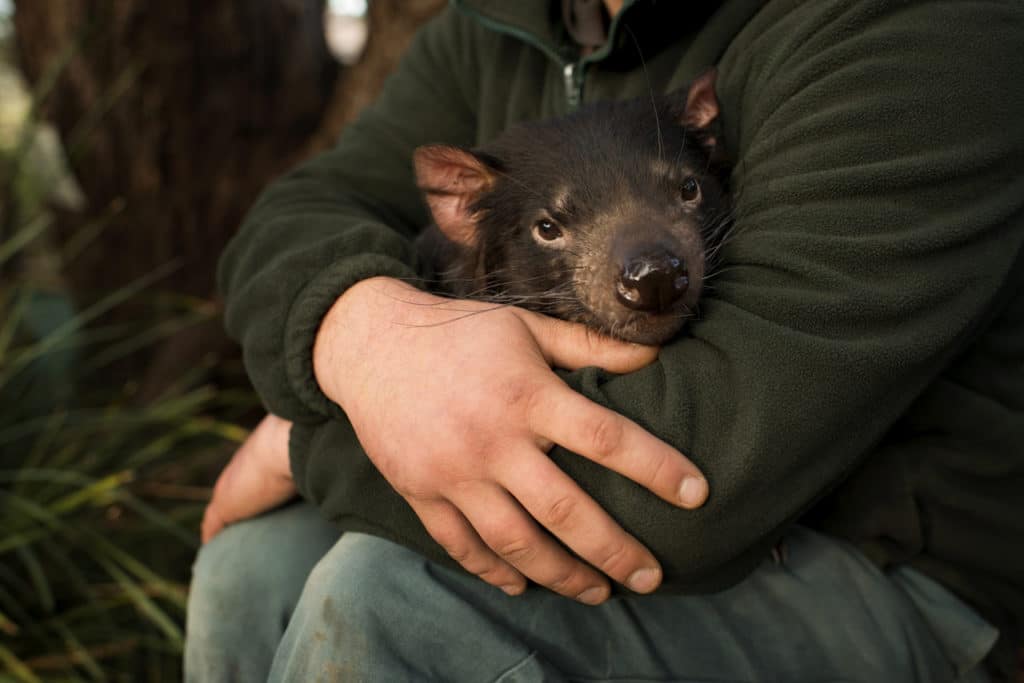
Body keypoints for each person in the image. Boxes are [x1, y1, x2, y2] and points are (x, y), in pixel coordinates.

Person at [185, 0, 1024, 681]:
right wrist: (360, 337)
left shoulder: (914, 23)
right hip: (674, 493)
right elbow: (294, 219)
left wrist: (314, 438)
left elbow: (701, 481)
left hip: (893, 567)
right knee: (250, 567)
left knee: (388, 598)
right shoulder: (498, 22)